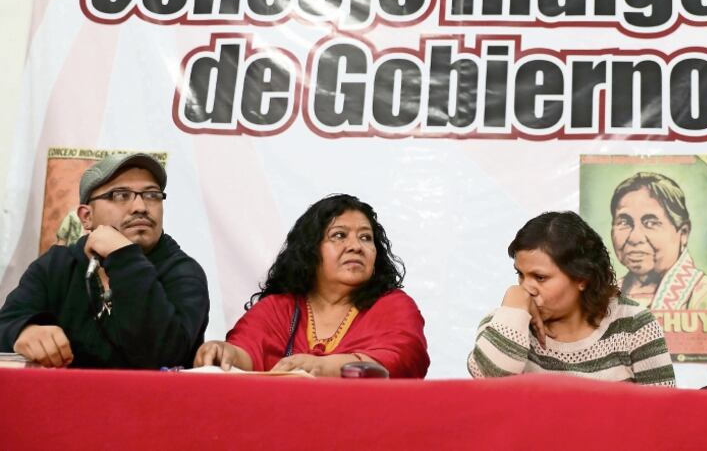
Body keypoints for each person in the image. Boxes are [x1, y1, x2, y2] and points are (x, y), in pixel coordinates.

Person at [0, 152, 210, 368]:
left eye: (152, 195)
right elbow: (6, 323)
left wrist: (124, 257)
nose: (141, 207)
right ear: (86, 217)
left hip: (150, 401)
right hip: (64, 399)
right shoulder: (55, 265)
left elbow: (163, 356)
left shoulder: (184, 272)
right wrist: (24, 330)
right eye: (120, 195)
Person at [195, 194, 429, 377]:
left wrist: (325, 367)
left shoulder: (393, 306)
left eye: (365, 237)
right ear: (310, 249)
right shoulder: (278, 309)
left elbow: (402, 360)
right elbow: (247, 352)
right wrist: (225, 354)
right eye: (339, 235)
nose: (356, 246)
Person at [468, 211, 675, 385]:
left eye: (540, 277)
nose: (526, 288)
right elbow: (489, 382)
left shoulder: (633, 324)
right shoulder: (505, 323)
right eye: (520, 274)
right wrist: (513, 300)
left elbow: (664, 416)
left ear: (581, 277)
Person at [609, 172, 707, 310]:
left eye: (650, 223)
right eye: (624, 222)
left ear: (683, 233)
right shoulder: (604, 298)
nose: (635, 238)